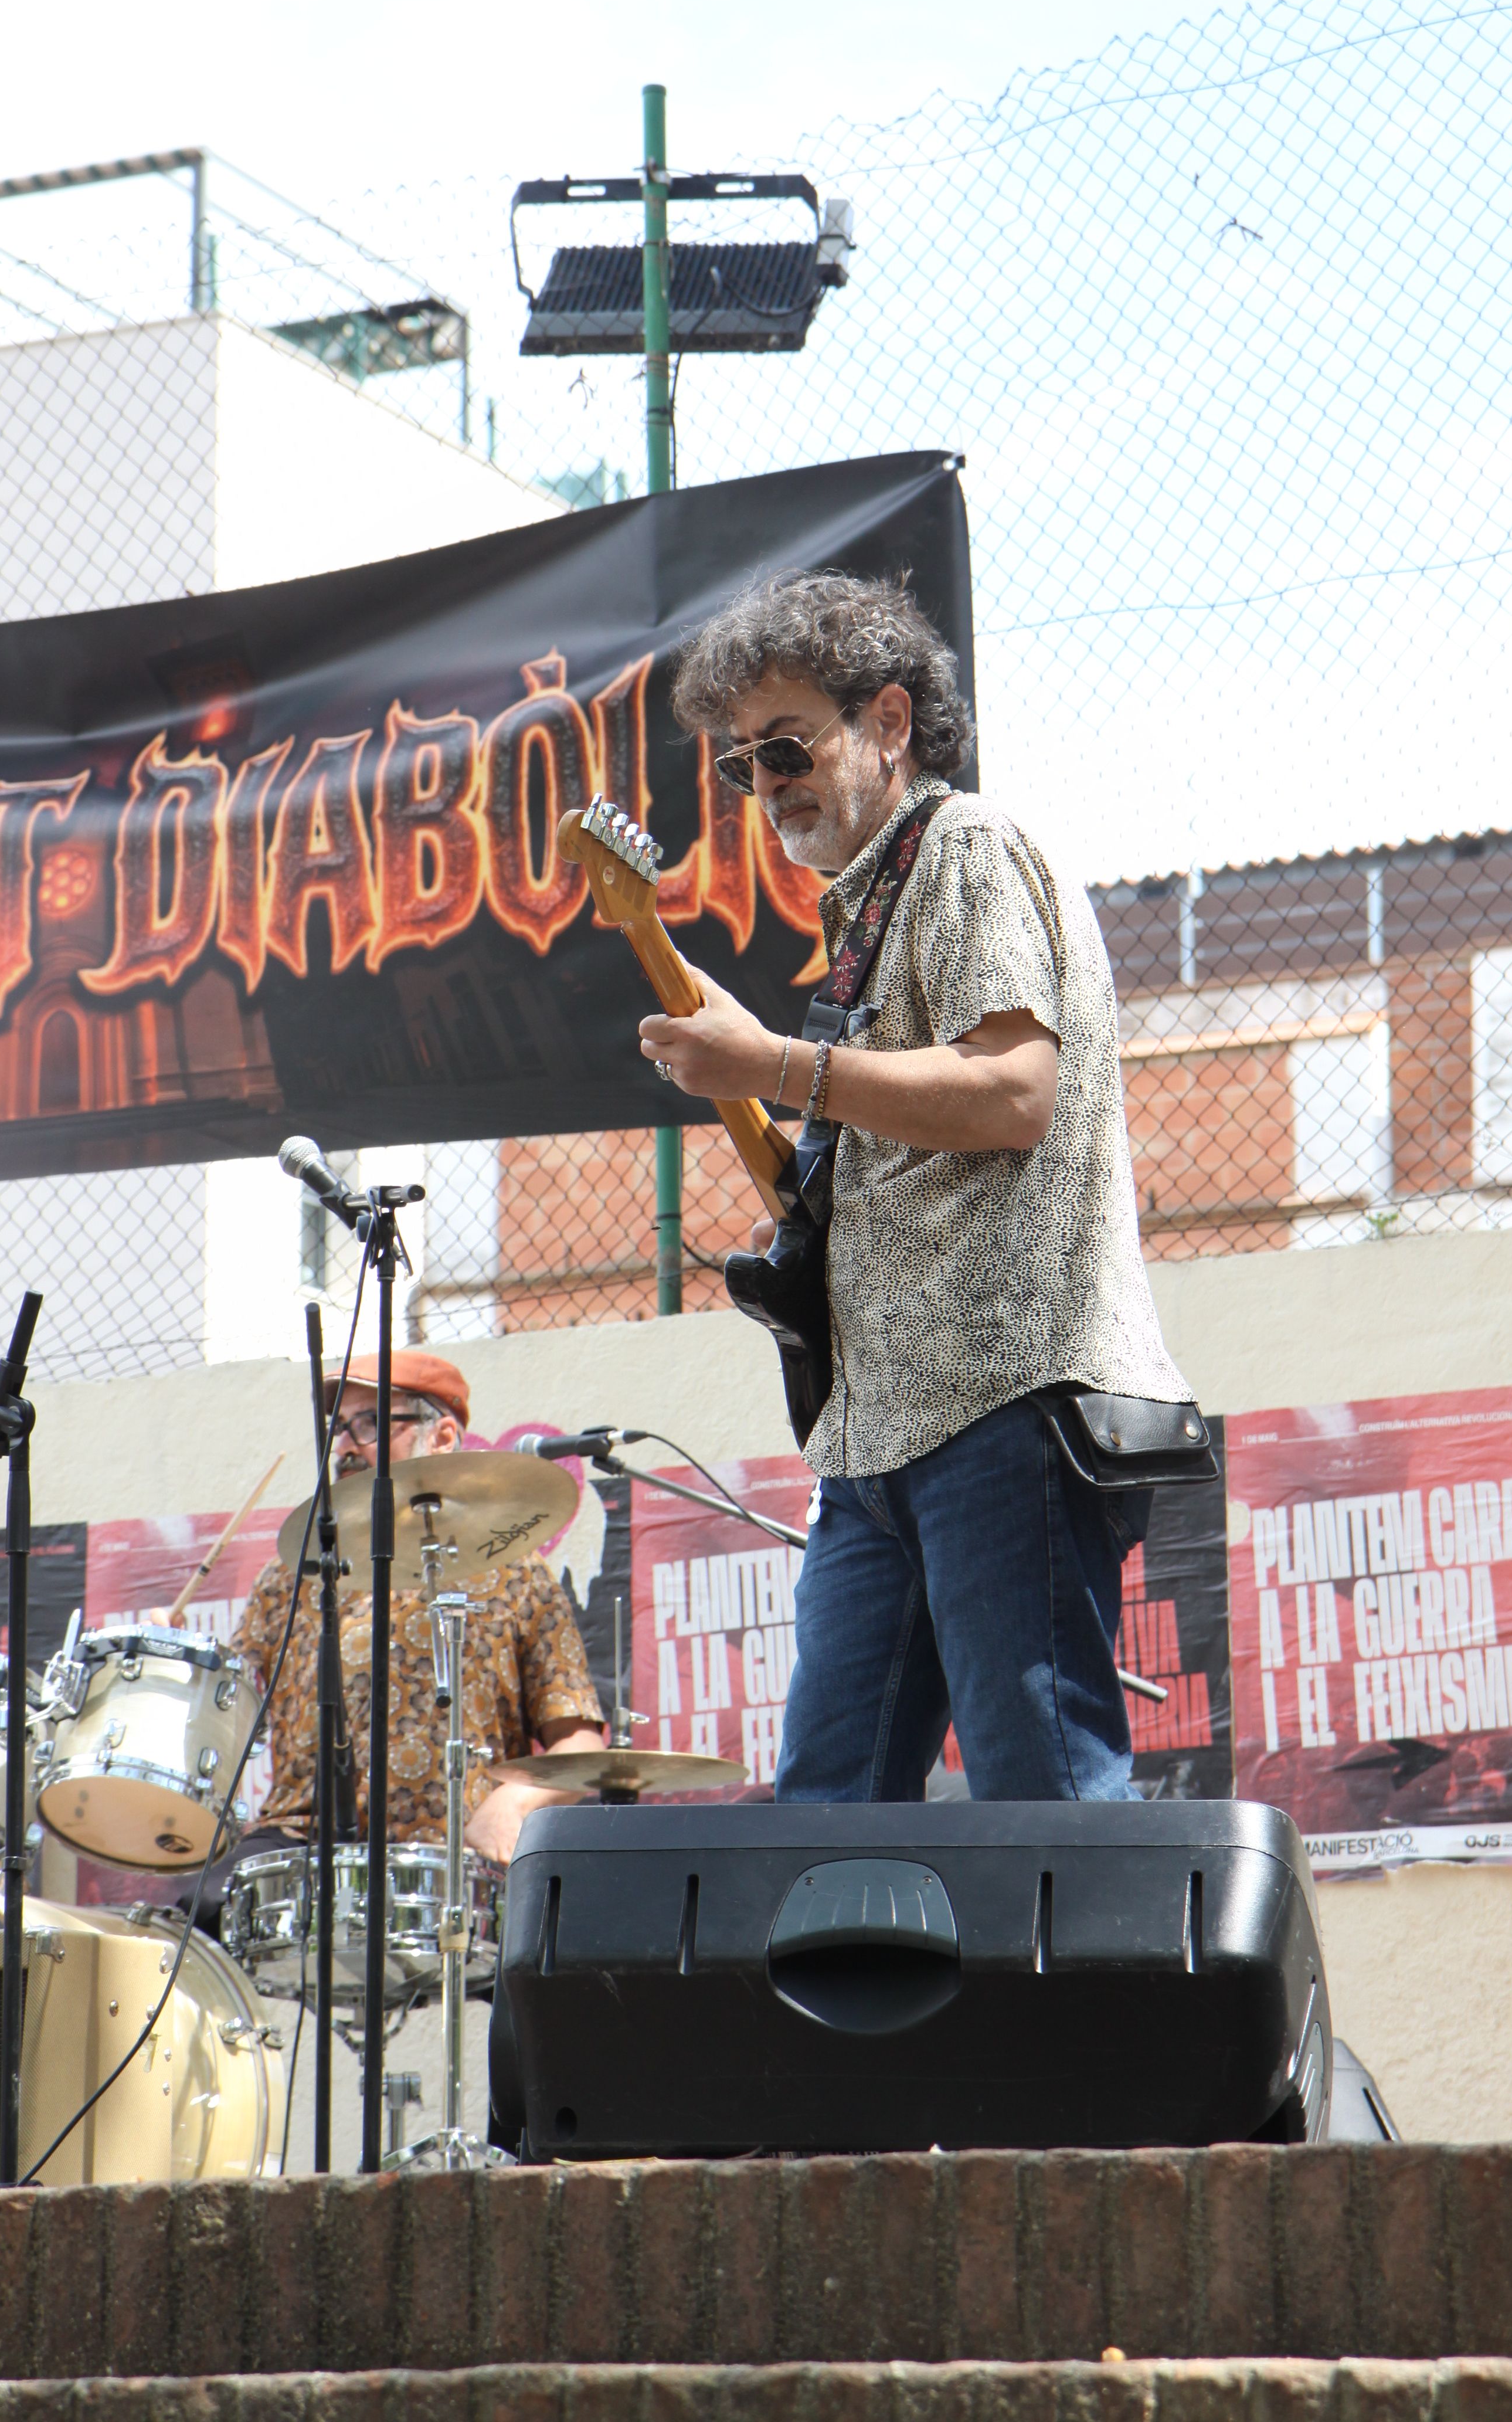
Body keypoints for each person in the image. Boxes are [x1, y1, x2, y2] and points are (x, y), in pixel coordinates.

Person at [645, 569, 1192, 1806]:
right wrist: (771, 1093)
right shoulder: (871, 909)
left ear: (888, 721)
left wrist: (771, 1064)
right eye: (742, 763)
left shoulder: (965, 849)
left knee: (1044, 1800)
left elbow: (1012, 1091)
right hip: (876, 1438)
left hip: (1001, 1408)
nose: (765, 783)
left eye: (786, 745)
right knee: (822, 1819)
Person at [232, 1348, 606, 1872]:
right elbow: (229, 1711)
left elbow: (580, 1742)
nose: (346, 1444)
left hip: (452, 1863)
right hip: (298, 1850)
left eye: (370, 1422)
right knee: (201, 1908)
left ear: (443, 1437)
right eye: (339, 1427)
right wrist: (177, 1674)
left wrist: (516, 1801)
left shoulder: (517, 1570)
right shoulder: (292, 1572)